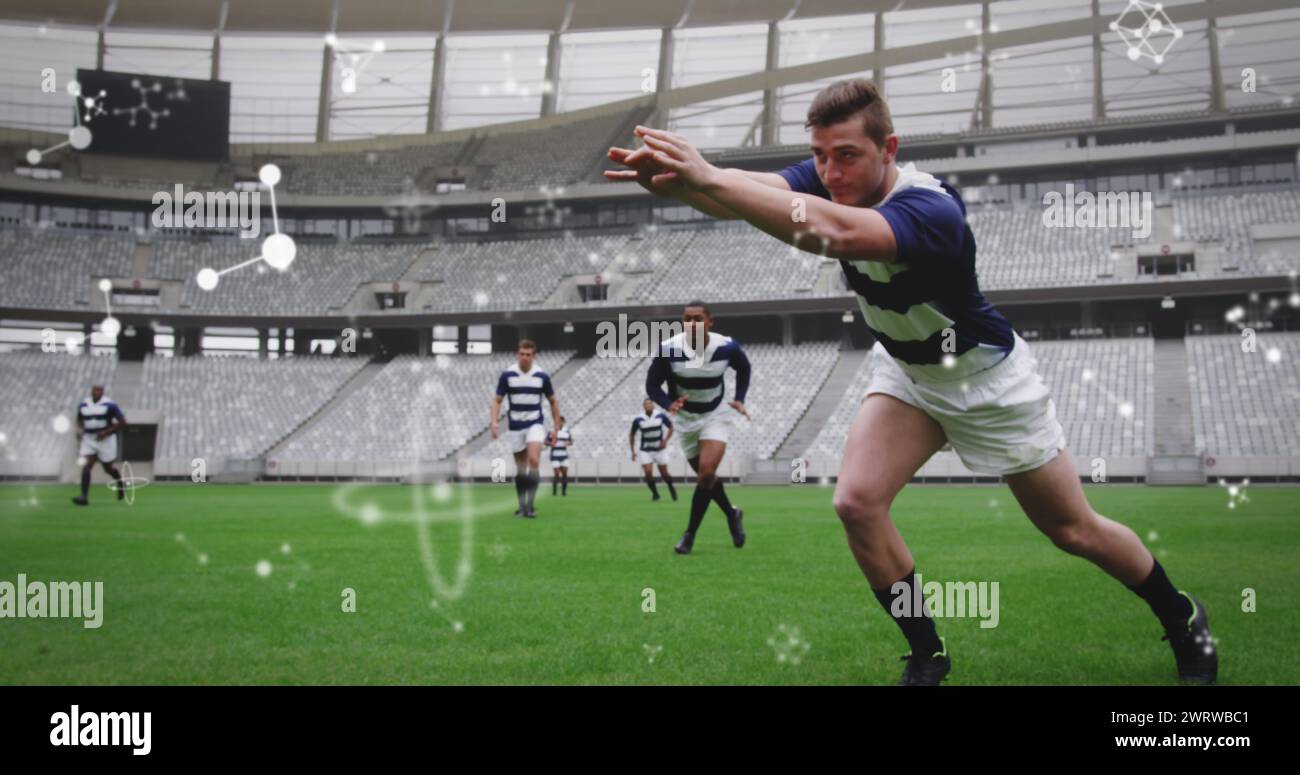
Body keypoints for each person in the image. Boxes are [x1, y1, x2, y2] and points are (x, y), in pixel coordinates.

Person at [606, 78, 1216, 686]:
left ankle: (1184, 617)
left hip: (986, 381)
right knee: (856, 502)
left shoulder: (932, 208)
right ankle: (928, 654)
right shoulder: (832, 176)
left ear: (888, 149)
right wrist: (677, 181)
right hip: (908, 373)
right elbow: (744, 196)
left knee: (1072, 530)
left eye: (846, 155)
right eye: (819, 156)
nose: (830, 171)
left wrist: (707, 175)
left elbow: (835, 233)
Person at [645, 301, 750, 555]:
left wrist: (740, 398)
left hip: (716, 414)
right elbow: (652, 386)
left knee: (705, 473)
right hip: (685, 421)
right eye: (687, 319)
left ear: (709, 322)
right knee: (708, 480)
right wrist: (669, 404)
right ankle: (732, 513)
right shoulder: (669, 349)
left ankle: (689, 535)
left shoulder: (726, 347)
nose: (692, 324)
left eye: (698, 319)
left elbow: (744, 367)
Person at [490, 340, 560, 518]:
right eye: (522, 354)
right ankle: (521, 506)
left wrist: (556, 426)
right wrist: (494, 422)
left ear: (534, 356)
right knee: (521, 468)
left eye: (528, 354)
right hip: (515, 425)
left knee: (534, 461)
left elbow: (553, 401)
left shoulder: (541, 376)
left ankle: (529, 506)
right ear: (517, 354)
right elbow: (497, 400)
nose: (525, 357)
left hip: (534, 423)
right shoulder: (508, 375)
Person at [72, 384, 127, 506]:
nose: (97, 392)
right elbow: (79, 420)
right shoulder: (84, 404)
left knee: (107, 468)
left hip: (106, 440)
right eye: (95, 390)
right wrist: (78, 430)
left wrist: (106, 432)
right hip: (89, 439)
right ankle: (84, 497)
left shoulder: (110, 405)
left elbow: (123, 422)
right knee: (87, 466)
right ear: (91, 391)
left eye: (99, 390)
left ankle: (120, 484)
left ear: (103, 392)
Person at [629, 397, 677, 502]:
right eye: (646, 404)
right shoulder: (639, 419)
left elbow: (671, 428)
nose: (648, 405)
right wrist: (633, 451)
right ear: (643, 406)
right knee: (648, 473)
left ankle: (671, 487)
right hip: (645, 450)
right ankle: (655, 494)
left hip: (659, 449)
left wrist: (665, 441)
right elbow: (632, 435)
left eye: (650, 403)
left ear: (653, 405)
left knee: (665, 474)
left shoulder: (660, 416)